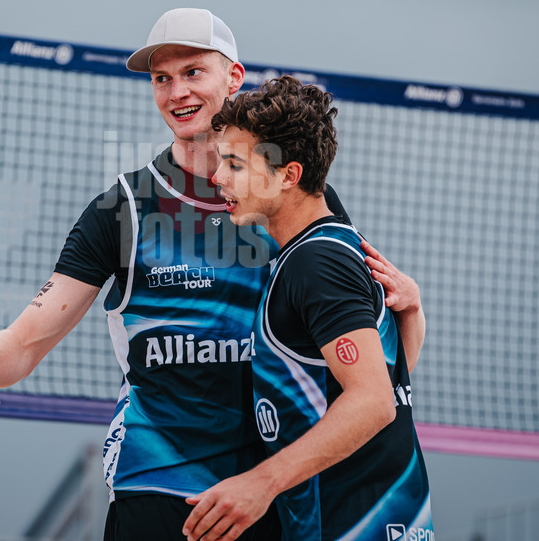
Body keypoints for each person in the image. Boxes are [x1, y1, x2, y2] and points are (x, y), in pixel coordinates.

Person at [0, 8, 425, 540]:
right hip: (161, 479)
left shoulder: (294, 202)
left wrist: (413, 308)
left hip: (270, 488)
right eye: (161, 78)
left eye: (193, 72)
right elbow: (27, 342)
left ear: (234, 78)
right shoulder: (122, 209)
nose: (176, 92)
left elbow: (369, 371)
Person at [184, 76, 432, 540]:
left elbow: (374, 401)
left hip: (352, 525)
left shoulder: (316, 263)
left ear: (288, 175)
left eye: (235, 164)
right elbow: (389, 378)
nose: (218, 178)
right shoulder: (329, 247)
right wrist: (412, 312)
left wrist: (260, 484)